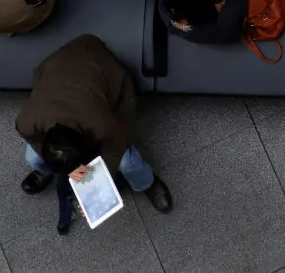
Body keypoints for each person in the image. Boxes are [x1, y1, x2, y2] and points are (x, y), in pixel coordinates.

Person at [15, 35, 172, 234]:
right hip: (60, 67)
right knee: (31, 156)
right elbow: (30, 137)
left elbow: (117, 145)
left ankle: (146, 183)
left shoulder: (101, 124)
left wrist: (98, 188)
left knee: (127, 162)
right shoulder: (28, 121)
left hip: (101, 68)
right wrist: (70, 170)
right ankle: (46, 171)